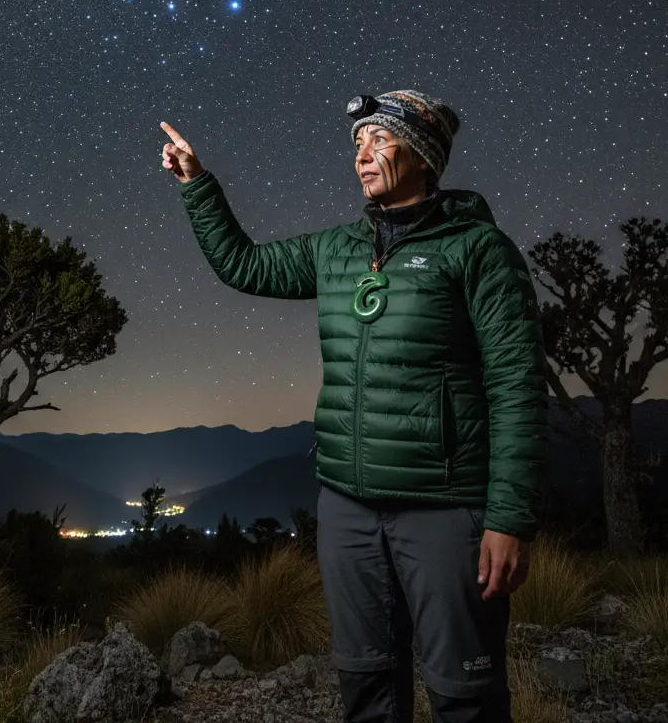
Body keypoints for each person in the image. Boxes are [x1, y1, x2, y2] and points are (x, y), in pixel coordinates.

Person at [159, 89, 548, 723]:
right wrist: (196, 185)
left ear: (423, 156)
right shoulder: (335, 249)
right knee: (366, 687)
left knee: (465, 695)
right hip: (347, 509)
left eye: (380, 140)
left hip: (445, 508)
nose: (362, 154)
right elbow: (244, 266)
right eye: (357, 143)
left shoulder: (479, 250)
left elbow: (518, 386)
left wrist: (509, 519)